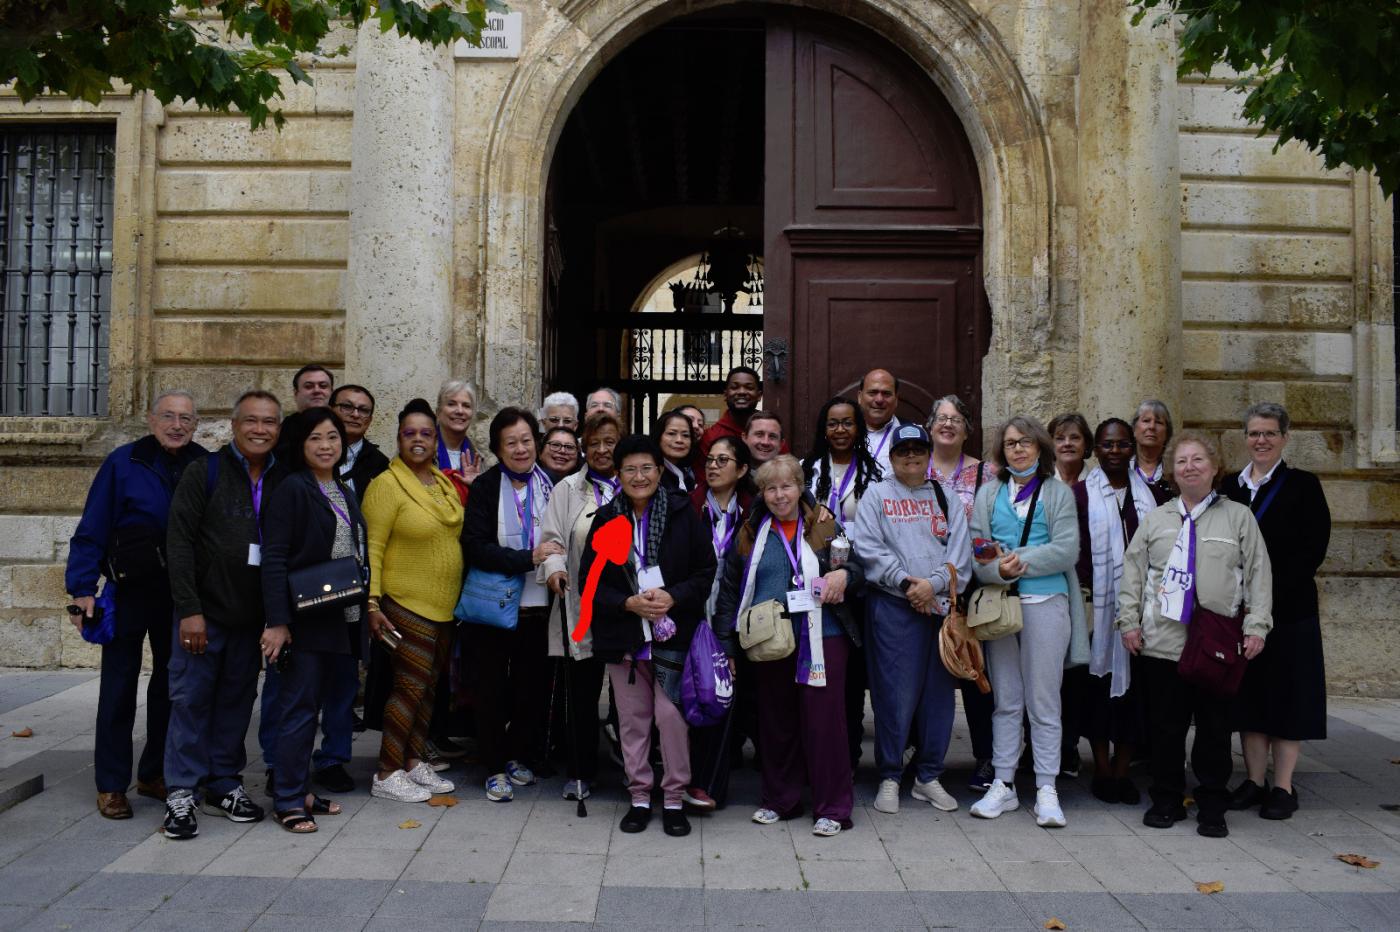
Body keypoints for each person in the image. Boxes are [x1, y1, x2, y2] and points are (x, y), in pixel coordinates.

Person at [1117, 430, 1272, 838]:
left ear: (1214, 467)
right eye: (1181, 461)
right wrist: (1128, 622)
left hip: (1216, 644)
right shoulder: (1156, 519)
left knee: (1214, 728)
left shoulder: (1238, 517)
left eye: (1198, 460)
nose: (1189, 467)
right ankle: (1166, 798)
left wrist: (1257, 626)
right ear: (1172, 471)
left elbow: (1258, 575)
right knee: (1166, 727)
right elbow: (1132, 573)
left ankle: (1212, 802)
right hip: (1163, 642)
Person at [65, 389, 207, 819]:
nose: (177, 425)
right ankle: (111, 784)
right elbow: (92, 527)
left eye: (186, 417)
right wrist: (82, 588)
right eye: (169, 416)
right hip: (127, 591)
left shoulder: (205, 463)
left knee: (171, 685)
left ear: (196, 424)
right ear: (151, 419)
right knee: (119, 686)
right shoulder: (123, 462)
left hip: (180, 594)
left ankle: (154, 774)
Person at [714, 455, 865, 835]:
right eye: (770, 488)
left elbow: (858, 570)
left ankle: (833, 807)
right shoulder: (749, 533)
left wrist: (843, 577)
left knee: (824, 723)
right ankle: (781, 799)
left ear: (801, 487)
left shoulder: (826, 526)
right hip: (770, 639)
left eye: (787, 486)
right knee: (776, 721)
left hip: (824, 636)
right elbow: (730, 593)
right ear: (761, 493)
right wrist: (727, 646)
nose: (779, 495)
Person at [162, 390, 285, 840]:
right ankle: (181, 791)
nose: (259, 429)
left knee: (236, 704)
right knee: (190, 702)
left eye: (269, 422)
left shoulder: (283, 479)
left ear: (278, 430)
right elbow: (177, 543)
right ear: (233, 426)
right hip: (204, 617)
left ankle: (224, 783)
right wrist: (189, 611)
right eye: (251, 421)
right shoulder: (205, 471)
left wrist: (276, 617)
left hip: (250, 619)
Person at [579, 435, 716, 837]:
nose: (639, 476)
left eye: (646, 468)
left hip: (674, 637)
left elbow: (704, 573)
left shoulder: (682, 513)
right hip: (625, 638)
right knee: (633, 722)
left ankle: (673, 797)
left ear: (659, 471)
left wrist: (672, 596)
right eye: (630, 470)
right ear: (618, 476)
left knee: (671, 718)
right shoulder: (606, 520)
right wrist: (627, 604)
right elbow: (591, 583)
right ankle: (640, 795)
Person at [969, 415, 1087, 828]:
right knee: (1006, 699)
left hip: (1046, 600)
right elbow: (978, 549)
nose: (1017, 449)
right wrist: (997, 569)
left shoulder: (1057, 493)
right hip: (1001, 605)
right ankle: (1003, 783)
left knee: (1044, 700)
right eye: (1010, 443)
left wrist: (1022, 562)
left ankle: (1046, 787)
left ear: (1040, 447)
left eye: (1025, 442)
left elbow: (1066, 549)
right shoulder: (988, 494)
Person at [259, 408, 369, 831]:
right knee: (299, 709)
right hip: (306, 619)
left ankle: (300, 788)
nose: (326, 446)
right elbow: (274, 558)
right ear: (300, 445)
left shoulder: (342, 489)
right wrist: (277, 621)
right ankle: (287, 798)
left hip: (341, 616)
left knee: (320, 706)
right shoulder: (292, 488)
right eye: (316, 439)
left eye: (333, 438)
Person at [851, 425, 971, 815]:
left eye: (919, 450)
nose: (912, 457)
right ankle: (889, 774)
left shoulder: (944, 495)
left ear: (928, 454)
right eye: (904, 451)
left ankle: (928, 776)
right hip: (893, 608)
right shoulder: (877, 495)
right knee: (894, 695)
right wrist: (907, 585)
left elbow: (960, 554)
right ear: (893, 456)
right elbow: (868, 548)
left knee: (939, 697)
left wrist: (933, 586)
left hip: (938, 609)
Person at [1223, 403, 1330, 821]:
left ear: (1285, 437)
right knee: (1250, 696)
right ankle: (1252, 780)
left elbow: (1312, 550)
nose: (1261, 440)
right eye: (1253, 433)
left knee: (1289, 696)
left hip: (1289, 611)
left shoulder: (1304, 486)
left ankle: (1282, 786)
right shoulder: (1231, 487)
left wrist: (1265, 593)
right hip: (1242, 612)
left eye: (1269, 433)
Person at [362, 399, 465, 803]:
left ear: (435, 439)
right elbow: (372, 547)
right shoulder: (386, 486)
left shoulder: (440, 483)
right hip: (403, 605)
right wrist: (372, 604)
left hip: (442, 608)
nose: (418, 440)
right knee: (407, 688)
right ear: (399, 438)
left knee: (428, 690)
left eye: (426, 433)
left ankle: (412, 760)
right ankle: (387, 771)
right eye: (410, 433)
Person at [460, 407, 563, 801]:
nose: (521, 449)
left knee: (530, 690)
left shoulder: (553, 485)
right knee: (490, 691)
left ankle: (518, 755)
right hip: (492, 609)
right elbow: (475, 546)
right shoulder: (486, 487)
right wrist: (527, 558)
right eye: (511, 443)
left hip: (539, 608)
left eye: (526, 440)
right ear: (498, 449)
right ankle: (492, 766)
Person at [539, 410, 625, 801]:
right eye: (594, 444)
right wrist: (555, 570)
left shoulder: (635, 482)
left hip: (627, 606)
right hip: (581, 603)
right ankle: (580, 771)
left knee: (629, 697)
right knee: (583, 695)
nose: (602, 450)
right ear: (582, 449)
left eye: (609, 442)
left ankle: (630, 767)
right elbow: (553, 539)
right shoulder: (567, 489)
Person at [1071, 418, 1153, 804]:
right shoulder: (1080, 495)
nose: (1115, 452)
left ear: (1132, 448)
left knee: (1135, 696)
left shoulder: (1150, 495)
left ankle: (1124, 772)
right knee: (1098, 692)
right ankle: (1102, 769)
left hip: (1139, 609)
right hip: (1097, 611)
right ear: (1096, 450)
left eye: (1122, 445)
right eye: (1107, 445)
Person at [801, 396, 882, 769]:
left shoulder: (876, 472)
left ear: (859, 427)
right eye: (832, 423)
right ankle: (815, 754)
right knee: (818, 671)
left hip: (860, 581)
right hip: (816, 582)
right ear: (823, 428)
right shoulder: (807, 470)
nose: (840, 430)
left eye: (847, 423)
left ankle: (849, 754)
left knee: (853, 676)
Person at [924, 394, 997, 792]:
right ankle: (921, 753)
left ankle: (987, 757)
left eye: (956, 419)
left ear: (968, 429)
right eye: (941, 417)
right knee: (928, 675)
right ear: (930, 426)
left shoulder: (987, 474)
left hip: (971, 588)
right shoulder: (915, 468)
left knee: (975, 673)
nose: (948, 424)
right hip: (924, 588)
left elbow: (993, 528)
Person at [686, 435, 753, 808]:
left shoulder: (753, 512)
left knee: (729, 702)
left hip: (738, 619)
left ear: (742, 469)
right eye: (710, 459)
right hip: (694, 617)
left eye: (723, 460)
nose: (713, 466)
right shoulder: (690, 505)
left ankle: (714, 785)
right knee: (695, 700)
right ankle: (692, 780)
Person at [332, 384, 390, 500]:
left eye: (364, 410)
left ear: (369, 420)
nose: (355, 414)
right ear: (329, 411)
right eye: (347, 406)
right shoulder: (309, 454)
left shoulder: (380, 464)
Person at [698, 366, 763, 462]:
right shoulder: (710, 436)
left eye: (749, 387)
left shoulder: (770, 432)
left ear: (759, 395)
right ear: (725, 394)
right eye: (734, 387)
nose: (742, 392)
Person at [436, 379, 483, 502]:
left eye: (466, 406)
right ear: (438, 412)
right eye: (451, 404)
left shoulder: (481, 459)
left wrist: (477, 487)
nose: (460, 411)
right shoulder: (422, 451)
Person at [858, 369, 902, 474]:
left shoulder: (909, 435)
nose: (879, 400)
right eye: (872, 393)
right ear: (860, 397)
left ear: (896, 399)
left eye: (886, 394)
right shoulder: (843, 434)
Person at [1130, 400, 1174, 500]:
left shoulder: (1176, 470)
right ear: (1134, 429)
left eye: (1158, 422)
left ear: (1167, 432)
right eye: (1146, 421)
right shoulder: (1122, 469)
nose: (1152, 427)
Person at [654, 409, 697, 493]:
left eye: (685, 435)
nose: (679, 440)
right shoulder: (653, 475)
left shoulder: (688, 476)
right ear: (658, 436)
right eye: (671, 433)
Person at [1049, 413, 1093, 486]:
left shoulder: (1098, 483)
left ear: (1086, 443)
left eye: (1075, 438)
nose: (1067, 443)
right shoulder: (1038, 483)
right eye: (1060, 439)